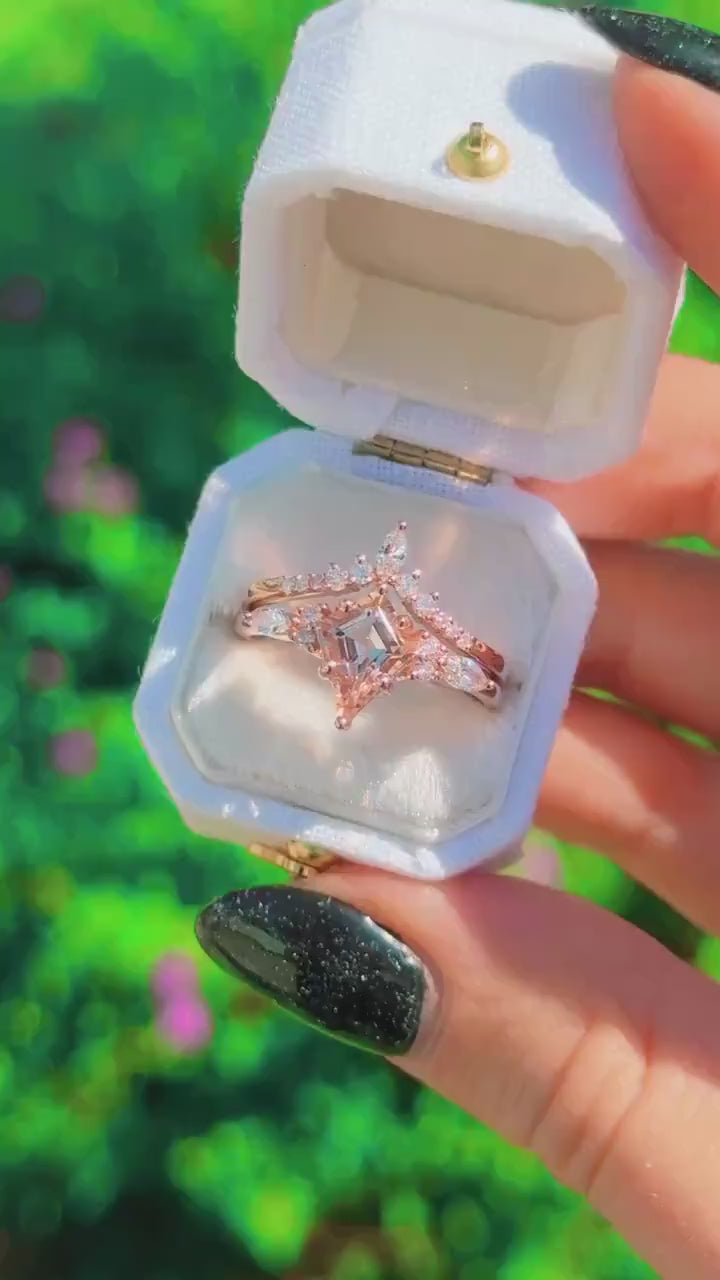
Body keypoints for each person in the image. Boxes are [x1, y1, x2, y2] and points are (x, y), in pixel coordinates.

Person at [197, 22, 720, 1280]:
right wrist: (286, 619)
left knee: (426, 650)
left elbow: (422, 649)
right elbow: (314, 612)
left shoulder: (428, 631)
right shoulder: (321, 591)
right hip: (336, 605)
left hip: (386, 623)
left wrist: (455, 665)